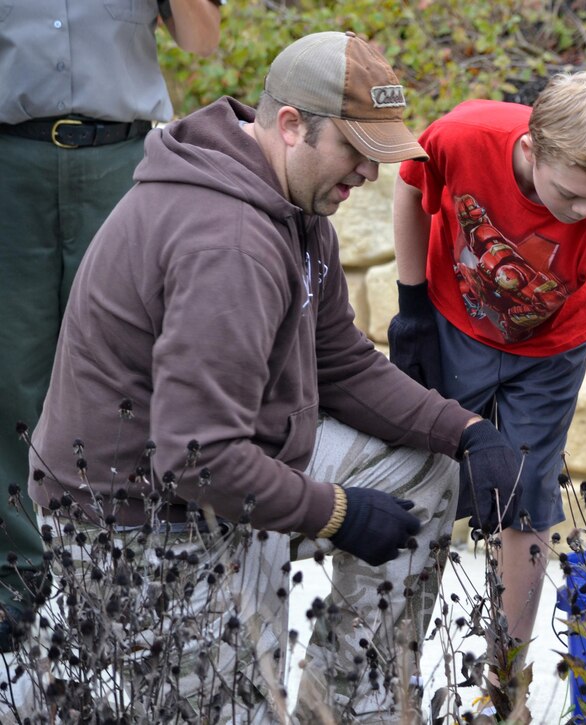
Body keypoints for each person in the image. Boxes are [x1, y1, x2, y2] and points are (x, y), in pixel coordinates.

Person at [25, 31, 521, 723]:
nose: (370, 176)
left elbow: (341, 363)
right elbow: (197, 458)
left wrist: (465, 431)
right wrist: (337, 513)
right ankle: (61, 675)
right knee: (230, 707)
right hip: (139, 525)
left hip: (232, 467)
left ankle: (350, 704)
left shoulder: (295, 206)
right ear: (291, 125)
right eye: (356, 151)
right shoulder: (227, 243)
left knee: (419, 472)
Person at [390, 71, 586, 707]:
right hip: (454, 322)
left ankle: (503, 685)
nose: (584, 213)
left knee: (527, 502)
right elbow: (408, 190)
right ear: (532, 152)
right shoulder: (463, 135)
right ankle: (393, 667)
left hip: (549, 349)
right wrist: (410, 304)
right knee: (422, 486)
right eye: (570, 196)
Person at [0, 0, 223, 652]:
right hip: (11, 164)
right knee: (9, 372)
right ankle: (18, 573)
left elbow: (204, 41)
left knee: (133, 367)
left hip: (121, 165)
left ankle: (127, 565)